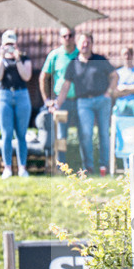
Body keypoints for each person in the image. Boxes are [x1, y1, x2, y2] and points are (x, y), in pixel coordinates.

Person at [53, 32, 117, 176]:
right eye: (82, 42)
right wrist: (57, 104)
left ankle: (104, 167)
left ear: (92, 44)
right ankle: (88, 167)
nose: (85, 45)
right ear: (78, 44)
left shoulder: (100, 60)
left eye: (88, 42)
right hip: (83, 102)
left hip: (102, 100)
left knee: (103, 134)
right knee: (86, 134)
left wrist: (109, 92)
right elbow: (65, 86)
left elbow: (114, 76)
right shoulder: (73, 64)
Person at [0, 30, 33, 178]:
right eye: (7, 44)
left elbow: (27, 76)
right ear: (2, 45)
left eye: (12, 44)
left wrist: (17, 59)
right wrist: (3, 58)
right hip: (4, 95)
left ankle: (22, 167)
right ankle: (7, 167)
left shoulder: (24, 58)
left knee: (21, 134)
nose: (9, 47)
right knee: (7, 133)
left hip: (22, 95)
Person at [40, 27, 80, 165]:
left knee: (84, 134)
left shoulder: (81, 55)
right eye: (64, 36)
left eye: (70, 35)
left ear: (74, 37)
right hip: (62, 101)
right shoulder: (54, 55)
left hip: (81, 100)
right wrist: (47, 100)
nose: (67, 38)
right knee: (61, 136)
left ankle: (86, 166)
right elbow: (43, 77)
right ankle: (62, 166)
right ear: (60, 38)